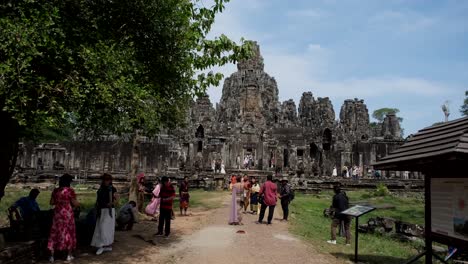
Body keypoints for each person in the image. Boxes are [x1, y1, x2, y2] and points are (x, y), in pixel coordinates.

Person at [48, 174, 80, 263]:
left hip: (57, 214)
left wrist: (59, 202)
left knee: (55, 232)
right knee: (68, 232)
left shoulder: (55, 191)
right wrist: (78, 203)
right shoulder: (70, 191)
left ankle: (52, 256)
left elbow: (51, 202)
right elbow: (75, 203)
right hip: (67, 214)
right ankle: (68, 255)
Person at [91, 173, 118, 255]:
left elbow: (117, 200)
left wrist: (112, 203)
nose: (105, 181)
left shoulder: (112, 189)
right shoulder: (101, 189)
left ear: (110, 181)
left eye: (107, 180)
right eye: (104, 179)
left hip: (109, 211)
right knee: (100, 228)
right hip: (101, 210)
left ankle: (106, 245)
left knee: (107, 229)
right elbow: (98, 200)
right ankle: (100, 245)